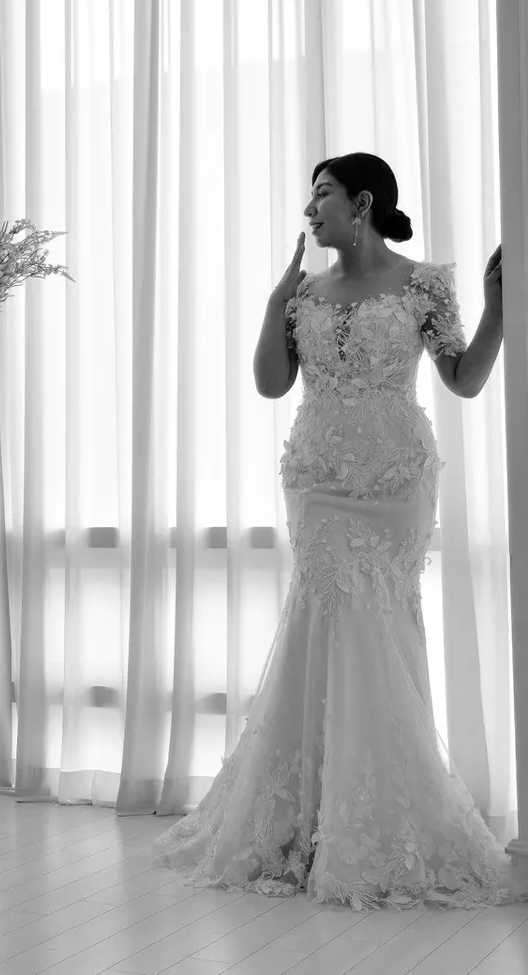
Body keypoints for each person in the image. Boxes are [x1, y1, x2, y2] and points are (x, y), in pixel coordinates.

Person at [152, 152, 518, 910]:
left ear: (363, 202)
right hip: (318, 478)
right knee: (331, 620)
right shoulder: (304, 292)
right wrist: (274, 301)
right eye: (309, 196)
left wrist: (496, 311)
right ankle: (312, 820)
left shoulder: (424, 284)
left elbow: (464, 379)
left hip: (396, 480)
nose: (309, 208)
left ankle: (375, 818)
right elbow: (270, 383)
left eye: (321, 194)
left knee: (379, 628)